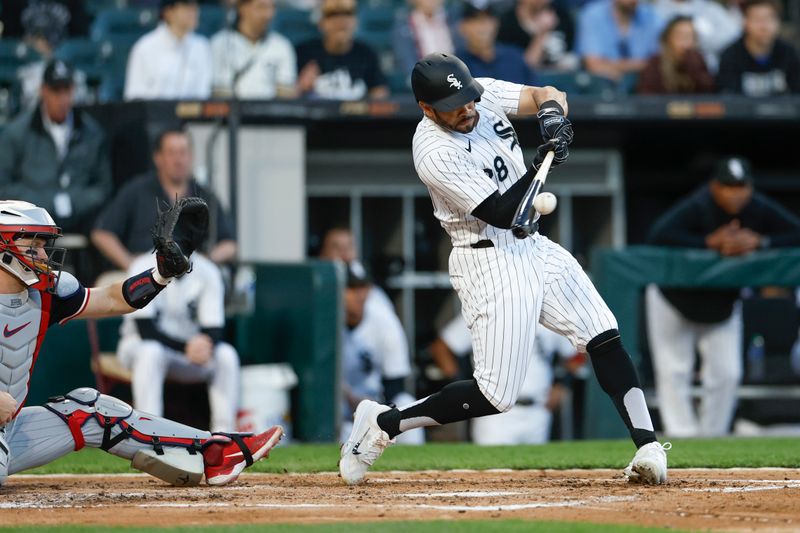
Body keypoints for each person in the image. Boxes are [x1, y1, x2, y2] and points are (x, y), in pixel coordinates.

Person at [340, 52, 670, 486]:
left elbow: (546, 93)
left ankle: (647, 447)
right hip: (487, 257)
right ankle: (385, 424)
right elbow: (500, 212)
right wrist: (540, 162)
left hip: (533, 246)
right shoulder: (432, 151)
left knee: (603, 333)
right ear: (425, 108)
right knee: (496, 396)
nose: (467, 110)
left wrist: (551, 117)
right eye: (453, 106)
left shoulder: (478, 94)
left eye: (469, 100)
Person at [0, 199, 281, 487]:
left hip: (9, 429)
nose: (44, 255)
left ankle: (216, 451)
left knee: (94, 411)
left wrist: (160, 275)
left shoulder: (47, 293)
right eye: (32, 246)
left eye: (44, 245)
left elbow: (110, 299)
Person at [646, 156, 800, 437]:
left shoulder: (757, 207)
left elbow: (795, 230)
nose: (736, 193)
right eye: (729, 186)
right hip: (674, 298)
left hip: (721, 302)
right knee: (675, 370)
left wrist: (761, 241)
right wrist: (707, 242)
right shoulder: (699, 204)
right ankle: (681, 436)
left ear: (750, 187)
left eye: (741, 186)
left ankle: (713, 436)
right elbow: (658, 235)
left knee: (727, 373)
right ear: (716, 186)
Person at [117, 252, 240, 432]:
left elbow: (214, 328)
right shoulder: (141, 265)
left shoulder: (207, 270)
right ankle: (148, 432)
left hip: (189, 353)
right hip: (138, 347)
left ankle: (225, 434)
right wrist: (186, 347)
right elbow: (146, 330)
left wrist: (202, 346)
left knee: (226, 355)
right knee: (151, 351)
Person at [91, 127, 237, 271]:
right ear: (158, 158)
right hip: (147, 271)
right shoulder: (136, 190)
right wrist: (130, 263)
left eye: (183, 152)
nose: (178, 160)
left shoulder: (205, 196)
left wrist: (206, 261)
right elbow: (102, 233)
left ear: (191, 156)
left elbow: (229, 244)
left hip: (191, 273)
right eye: (172, 153)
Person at [0, 60, 111, 235]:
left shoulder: (91, 132)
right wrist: (46, 203)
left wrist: (72, 201)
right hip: (29, 224)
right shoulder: (17, 133)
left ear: (73, 90)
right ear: (43, 91)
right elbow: (3, 186)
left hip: (81, 220)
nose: (62, 99)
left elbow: (103, 187)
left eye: (66, 90)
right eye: (55, 91)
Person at [433, 315, 581, 444]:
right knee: (493, 471)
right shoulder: (484, 308)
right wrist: (462, 386)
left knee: (535, 472)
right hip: (494, 412)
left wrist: (562, 384)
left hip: (537, 408)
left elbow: (579, 353)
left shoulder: (545, 312)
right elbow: (441, 347)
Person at [339, 262, 423, 444]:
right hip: (342, 410)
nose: (359, 295)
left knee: (406, 401)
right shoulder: (325, 321)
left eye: (363, 287)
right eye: (351, 288)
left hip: (377, 403)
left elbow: (396, 380)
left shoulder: (383, 319)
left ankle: (417, 468)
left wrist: (377, 408)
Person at [295, 0, 389, 100]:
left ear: (356, 21)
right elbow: (286, 100)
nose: (341, 20)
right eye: (333, 14)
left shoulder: (367, 54)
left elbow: (380, 93)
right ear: (321, 22)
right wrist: (300, 87)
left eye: (348, 13)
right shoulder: (303, 53)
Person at [124, 0, 212, 100]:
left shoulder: (202, 47)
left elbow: (203, 95)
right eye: (186, 6)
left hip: (192, 114)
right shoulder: (144, 48)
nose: (194, 11)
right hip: (154, 113)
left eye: (195, 5)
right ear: (168, 12)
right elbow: (134, 97)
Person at [210, 0, 298, 99]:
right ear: (242, 8)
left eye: (272, 7)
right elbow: (220, 92)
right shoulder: (220, 43)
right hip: (232, 111)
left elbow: (285, 94)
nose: (268, 14)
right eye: (261, 7)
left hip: (270, 112)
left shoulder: (282, 45)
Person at [716, 0, 800, 96]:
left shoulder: (788, 53)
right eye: (757, 20)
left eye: (769, 19)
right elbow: (728, 100)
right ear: (745, 22)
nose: (764, 26)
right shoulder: (731, 56)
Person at [576, 0, 662, 83]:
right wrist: (640, 65)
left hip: (643, 85)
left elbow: (659, 63)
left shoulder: (652, 16)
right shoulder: (593, 14)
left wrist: (611, 66)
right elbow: (594, 66)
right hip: (603, 86)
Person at [457, 3, 536, 85]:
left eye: (488, 19)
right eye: (475, 20)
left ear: (496, 23)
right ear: (462, 26)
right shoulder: (455, 66)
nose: (483, 26)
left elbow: (537, 93)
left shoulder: (515, 58)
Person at [652, 0, 741, 72]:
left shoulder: (709, 8)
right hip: (666, 68)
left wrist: (698, 41)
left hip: (706, 68)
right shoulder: (655, 10)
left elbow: (734, 34)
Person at [637, 16, 715, 94]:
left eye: (690, 37)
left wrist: (695, 69)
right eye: (681, 36)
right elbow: (647, 98)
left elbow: (709, 93)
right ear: (668, 38)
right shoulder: (655, 64)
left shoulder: (698, 62)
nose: (685, 42)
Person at [497, 0, 578, 71]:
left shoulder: (561, 15)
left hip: (562, 79)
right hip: (528, 82)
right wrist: (542, 33)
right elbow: (525, 66)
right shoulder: (507, 23)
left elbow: (570, 56)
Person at [393, 0, 460, 76]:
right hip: (425, 82)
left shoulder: (457, 20)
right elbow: (408, 65)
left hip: (460, 78)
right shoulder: (403, 28)